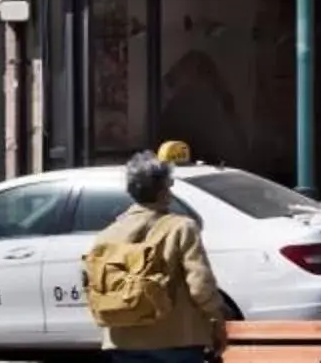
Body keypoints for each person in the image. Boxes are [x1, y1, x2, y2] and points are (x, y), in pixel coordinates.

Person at [83, 151, 226, 363]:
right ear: (163, 192)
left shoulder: (107, 234)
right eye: (169, 186)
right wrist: (216, 319)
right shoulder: (181, 227)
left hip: (122, 340)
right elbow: (200, 286)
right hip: (177, 339)